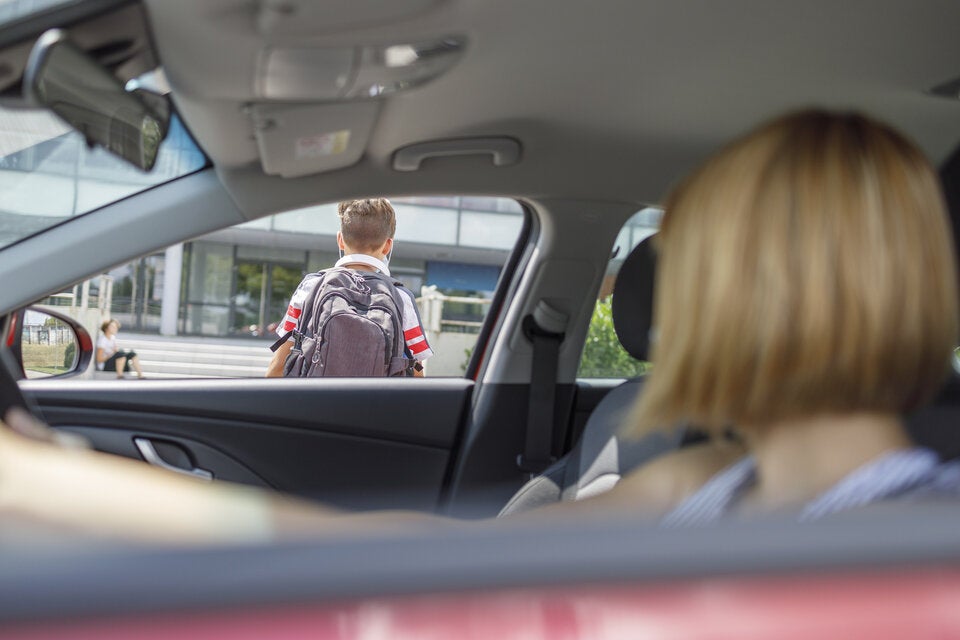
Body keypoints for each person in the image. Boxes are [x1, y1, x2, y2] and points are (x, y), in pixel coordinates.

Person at [0, 109, 957, 545]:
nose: (655, 302)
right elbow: (437, 566)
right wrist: (56, 483)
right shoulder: (702, 483)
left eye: (688, 265)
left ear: (765, 292)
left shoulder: (927, 540)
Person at [266, 198, 433, 378]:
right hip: (376, 404)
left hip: (314, 402)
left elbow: (279, 364)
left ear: (340, 240)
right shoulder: (401, 298)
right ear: (387, 246)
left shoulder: (311, 286)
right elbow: (416, 373)